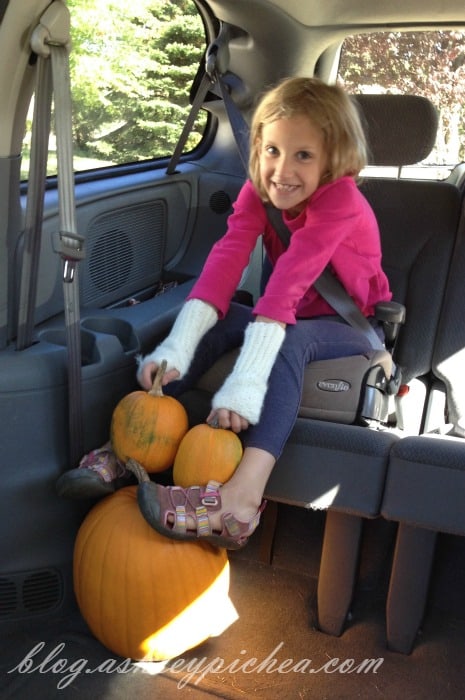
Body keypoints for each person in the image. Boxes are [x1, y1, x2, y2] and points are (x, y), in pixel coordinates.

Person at [58, 77, 392, 549]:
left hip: (351, 327)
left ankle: (241, 499)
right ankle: (129, 449)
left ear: (333, 160)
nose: (281, 170)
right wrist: (179, 344)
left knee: (287, 341)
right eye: (272, 149)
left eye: (303, 155)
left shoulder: (341, 201)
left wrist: (246, 383)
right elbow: (225, 260)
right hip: (288, 312)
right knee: (229, 315)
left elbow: (290, 281)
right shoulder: (261, 189)